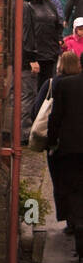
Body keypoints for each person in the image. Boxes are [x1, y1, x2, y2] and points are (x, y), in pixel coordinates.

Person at [36, 51, 81, 234]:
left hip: (65, 146)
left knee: (64, 183)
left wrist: (51, 141)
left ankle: (72, 221)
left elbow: (50, 116)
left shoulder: (56, 84)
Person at [45, 52, 83, 254]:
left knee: (74, 189)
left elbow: (55, 117)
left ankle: (77, 227)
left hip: (70, 148)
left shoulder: (66, 85)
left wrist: (51, 143)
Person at [23, 0, 62, 142]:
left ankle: (43, 124)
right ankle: (31, 127)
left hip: (50, 53)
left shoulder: (50, 5)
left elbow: (57, 24)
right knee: (33, 93)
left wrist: (59, 39)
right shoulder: (28, 5)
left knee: (47, 92)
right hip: (36, 54)